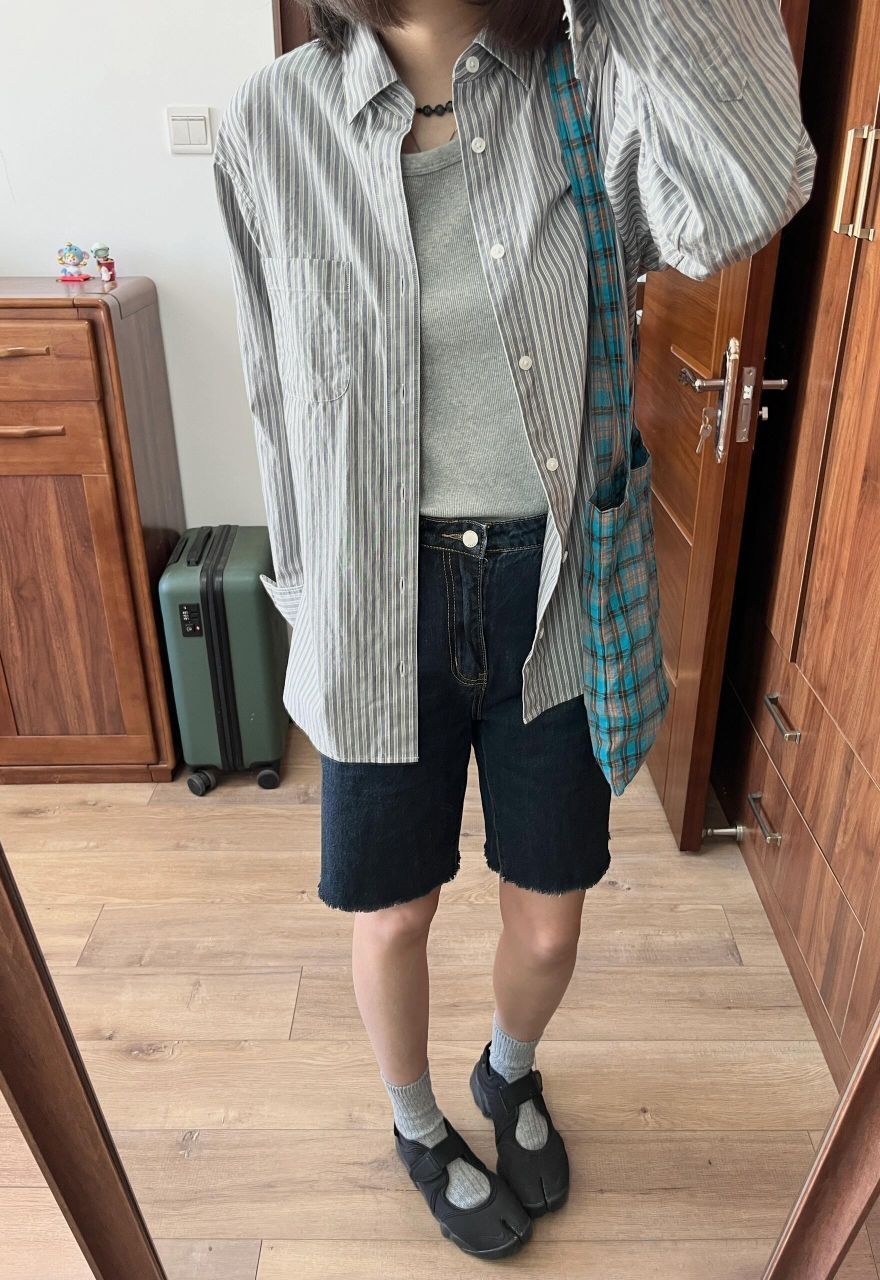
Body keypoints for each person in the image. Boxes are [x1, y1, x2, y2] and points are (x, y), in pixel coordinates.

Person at [212, 0, 814, 1259]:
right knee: (394, 913)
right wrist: (309, 599)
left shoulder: (590, 85)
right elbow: (272, 386)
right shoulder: (271, 120)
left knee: (550, 914)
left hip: (555, 585)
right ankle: (417, 1122)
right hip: (378, 595)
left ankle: (509, 1066)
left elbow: (751, 188)